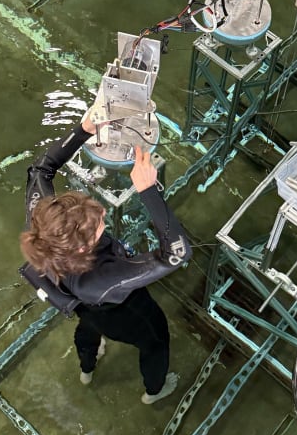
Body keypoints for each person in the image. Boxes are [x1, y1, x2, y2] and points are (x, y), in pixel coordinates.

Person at [19, 108, 191, 404]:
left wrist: (84, 128)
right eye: (97, 224)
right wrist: (148, 191)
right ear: (83, 249)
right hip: (122, 313)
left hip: (82, 304)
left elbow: (41, 169)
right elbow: (176, 254)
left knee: (87, 326)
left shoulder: (43, 224)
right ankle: (154, 390)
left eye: (90, 207)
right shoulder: (104, 278)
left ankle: (87, 367)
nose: (101, 212)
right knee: (156, 341)